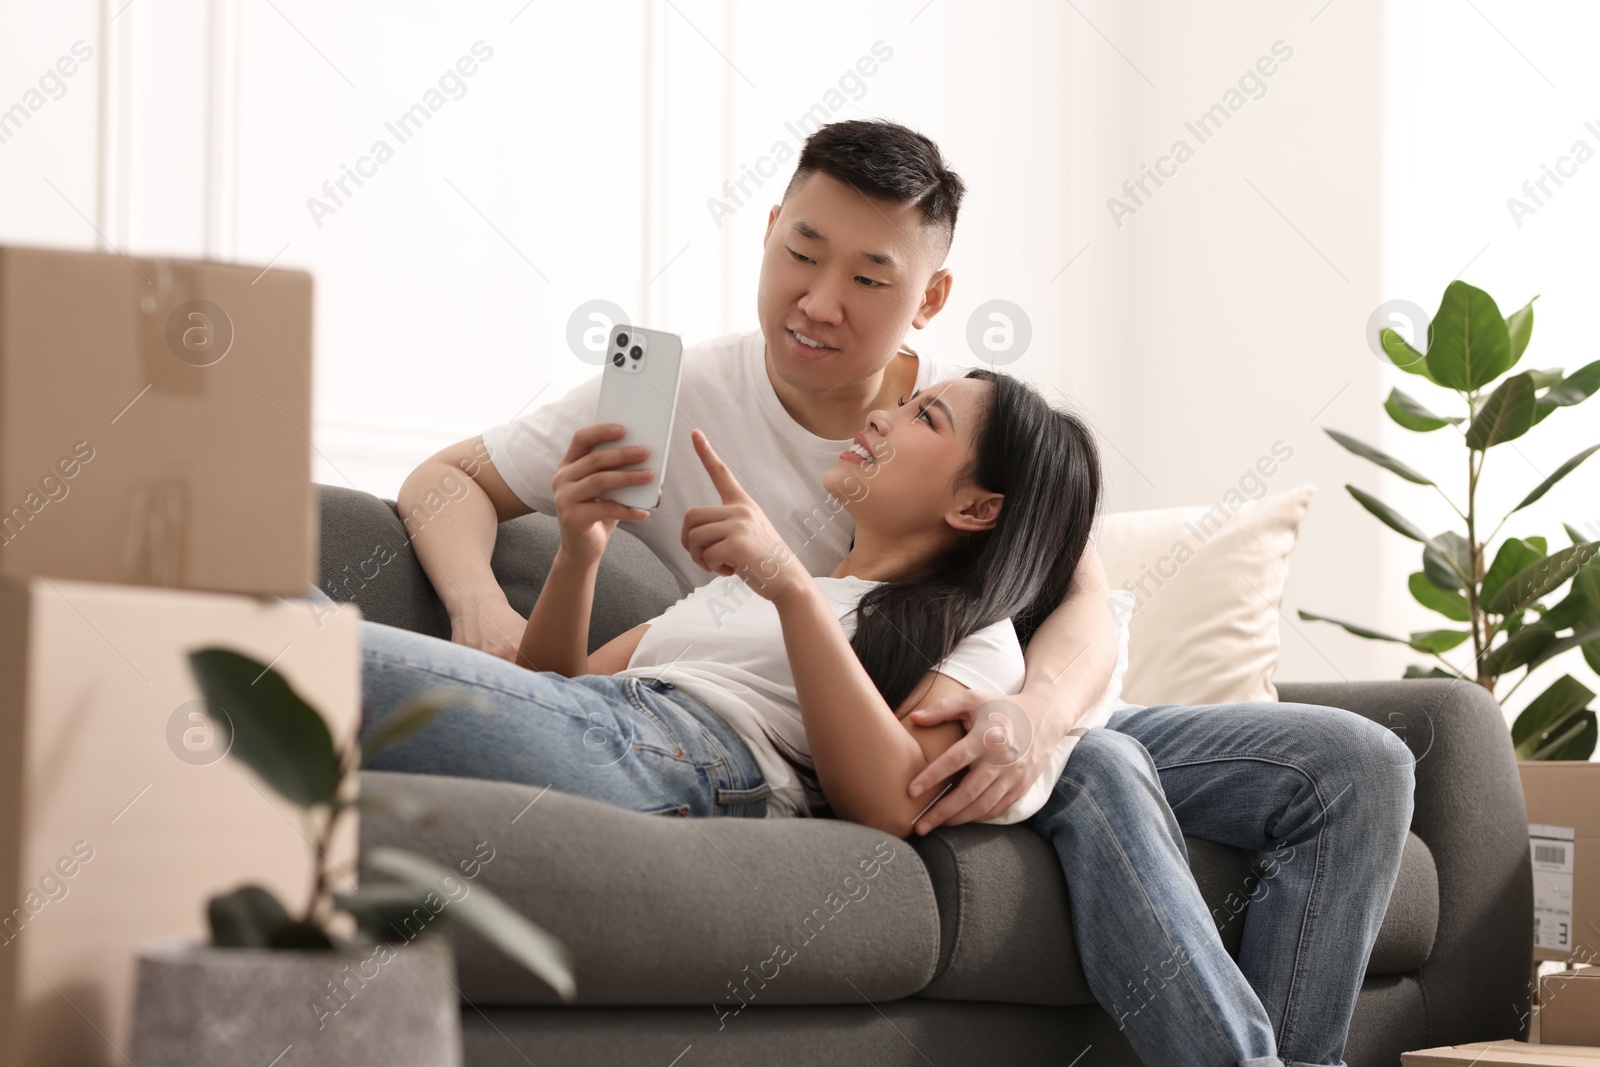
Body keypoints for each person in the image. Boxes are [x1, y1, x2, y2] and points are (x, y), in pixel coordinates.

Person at [326, 119, 1415, 1067]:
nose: (818, 301)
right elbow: (451, 486)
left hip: (978, 699)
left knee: (1270, 759)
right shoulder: (683, 400)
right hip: (804, 705)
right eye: (802, 252)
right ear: (768, 233)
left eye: (867, 277)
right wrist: (490, 601)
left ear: (929, 294)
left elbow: (1070, 601)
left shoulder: (966, 427)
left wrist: (1032, 720)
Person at [356, 368, 1097, 838]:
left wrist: (791, 589)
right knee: (293, 628)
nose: (880, 416)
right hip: (614, 720)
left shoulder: (979, 637)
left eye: (924, 418)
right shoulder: (759, 586)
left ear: (977, 508)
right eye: (903, 404)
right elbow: (559, 686)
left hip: (690, 758)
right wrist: (581, 552)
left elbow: (892, 803)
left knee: (314, 649)